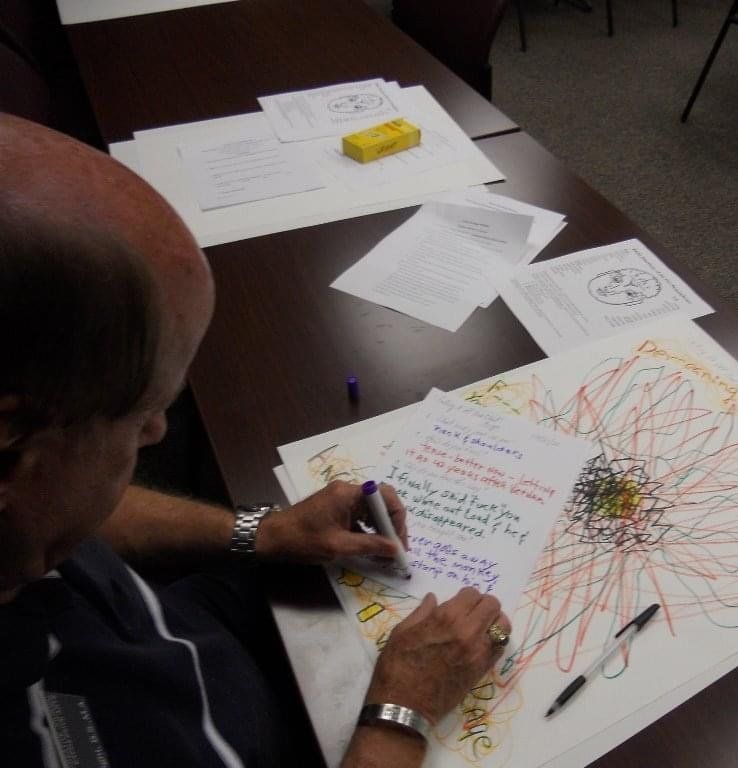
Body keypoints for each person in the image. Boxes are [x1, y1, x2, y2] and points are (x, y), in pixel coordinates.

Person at [0, 112, 511, 768]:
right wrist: (400, 714)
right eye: (139, 415)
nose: (158, 433)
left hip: (192, 631)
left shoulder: (26, 514)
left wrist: (262, 533)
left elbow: (69, 508)